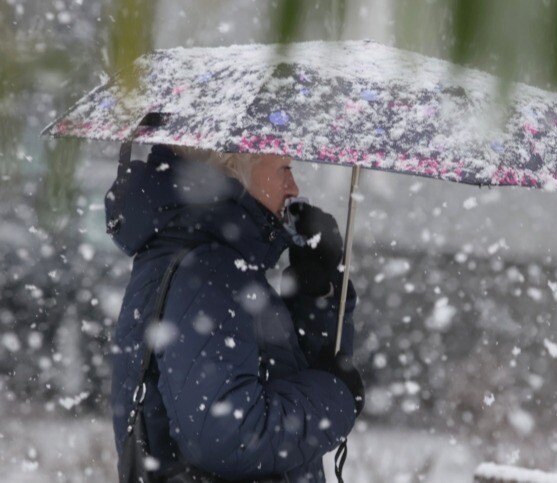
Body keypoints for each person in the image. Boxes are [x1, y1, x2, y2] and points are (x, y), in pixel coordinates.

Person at [106, 144, 364, 482]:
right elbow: (229, 437)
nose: (294, 187)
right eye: (283, 169)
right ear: (233, 168)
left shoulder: (213, 261)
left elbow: (280, 377)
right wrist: (334, 398)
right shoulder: (210, 271)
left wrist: (316, 290)